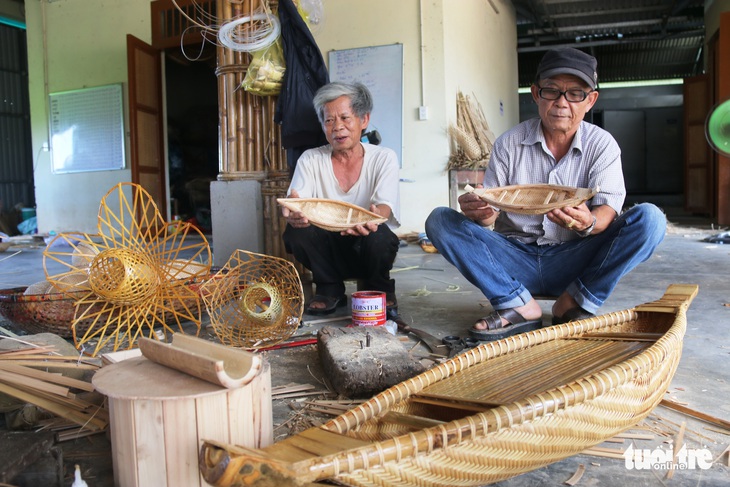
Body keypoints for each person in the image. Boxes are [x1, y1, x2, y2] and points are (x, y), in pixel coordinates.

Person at [425, 47, 666, 341]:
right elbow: (490, 216)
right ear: (536, 94)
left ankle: (575, 302)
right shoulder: (509, 144)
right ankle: (517, 304)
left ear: (590, 100)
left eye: (575, 93)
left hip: (575, 259)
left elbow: (607, 212)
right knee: (439, 220)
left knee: (650, 220)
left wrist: (587, 222)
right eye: (552, 91)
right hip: (514, 257)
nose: (562, 103)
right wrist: (481, 212)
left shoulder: (602, 145)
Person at [282, 82, 401, 316]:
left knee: (380, 236)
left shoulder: (384, 157)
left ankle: (378, 287)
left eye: (345, 118)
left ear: (363, 120)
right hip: (326, 251)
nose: (337, 127)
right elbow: (296, 202)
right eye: (329, 120)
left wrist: (371, 219)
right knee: (296, 232)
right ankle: (329, 288)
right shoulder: (311, 159)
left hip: (364, 243)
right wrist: (293, 212)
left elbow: (385, 207)